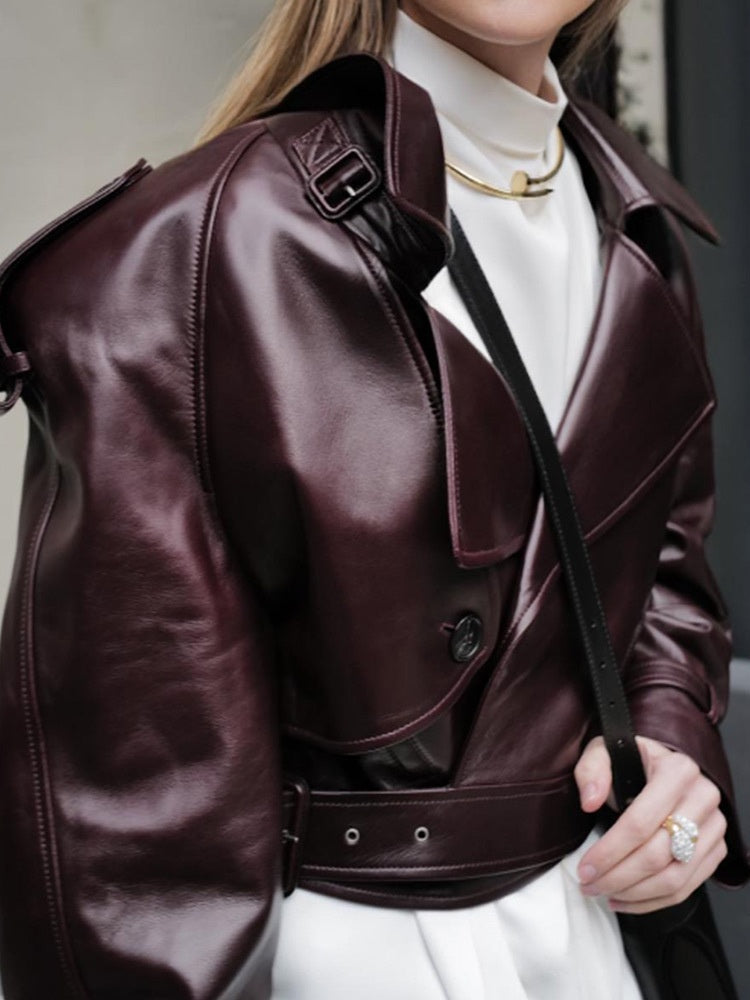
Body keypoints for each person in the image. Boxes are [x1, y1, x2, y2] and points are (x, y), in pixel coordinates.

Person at [0, 1, 748, 998]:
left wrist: (672, 746)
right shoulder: (196, 247)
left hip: (594, 940)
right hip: (336, 958)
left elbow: (664, 577)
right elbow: (128, 829)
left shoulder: (635, 224)